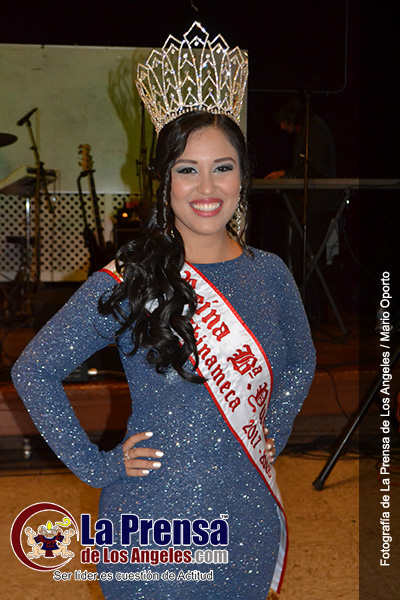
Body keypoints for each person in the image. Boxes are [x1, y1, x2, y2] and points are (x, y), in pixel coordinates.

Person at [11, 23, 315, 600]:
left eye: (223, 167)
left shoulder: (271, 273)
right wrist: (96, 466)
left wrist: (271, 428)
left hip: (248, 519)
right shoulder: (133, 277)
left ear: (244, 176)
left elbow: (302, 360)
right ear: (165, 180)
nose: (207, 186)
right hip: (150, 523)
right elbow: (34, 369)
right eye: (187, 168)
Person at [265, 95, 339, 322]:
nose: (282, 128)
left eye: (282, 122)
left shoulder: (312, 130)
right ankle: (310, 312)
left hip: (317, 205)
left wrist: (287, 175)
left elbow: (313, 167)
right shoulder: (309, 128)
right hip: (314, 204)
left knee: (308, 258)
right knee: (305, 257)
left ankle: (313, 312)